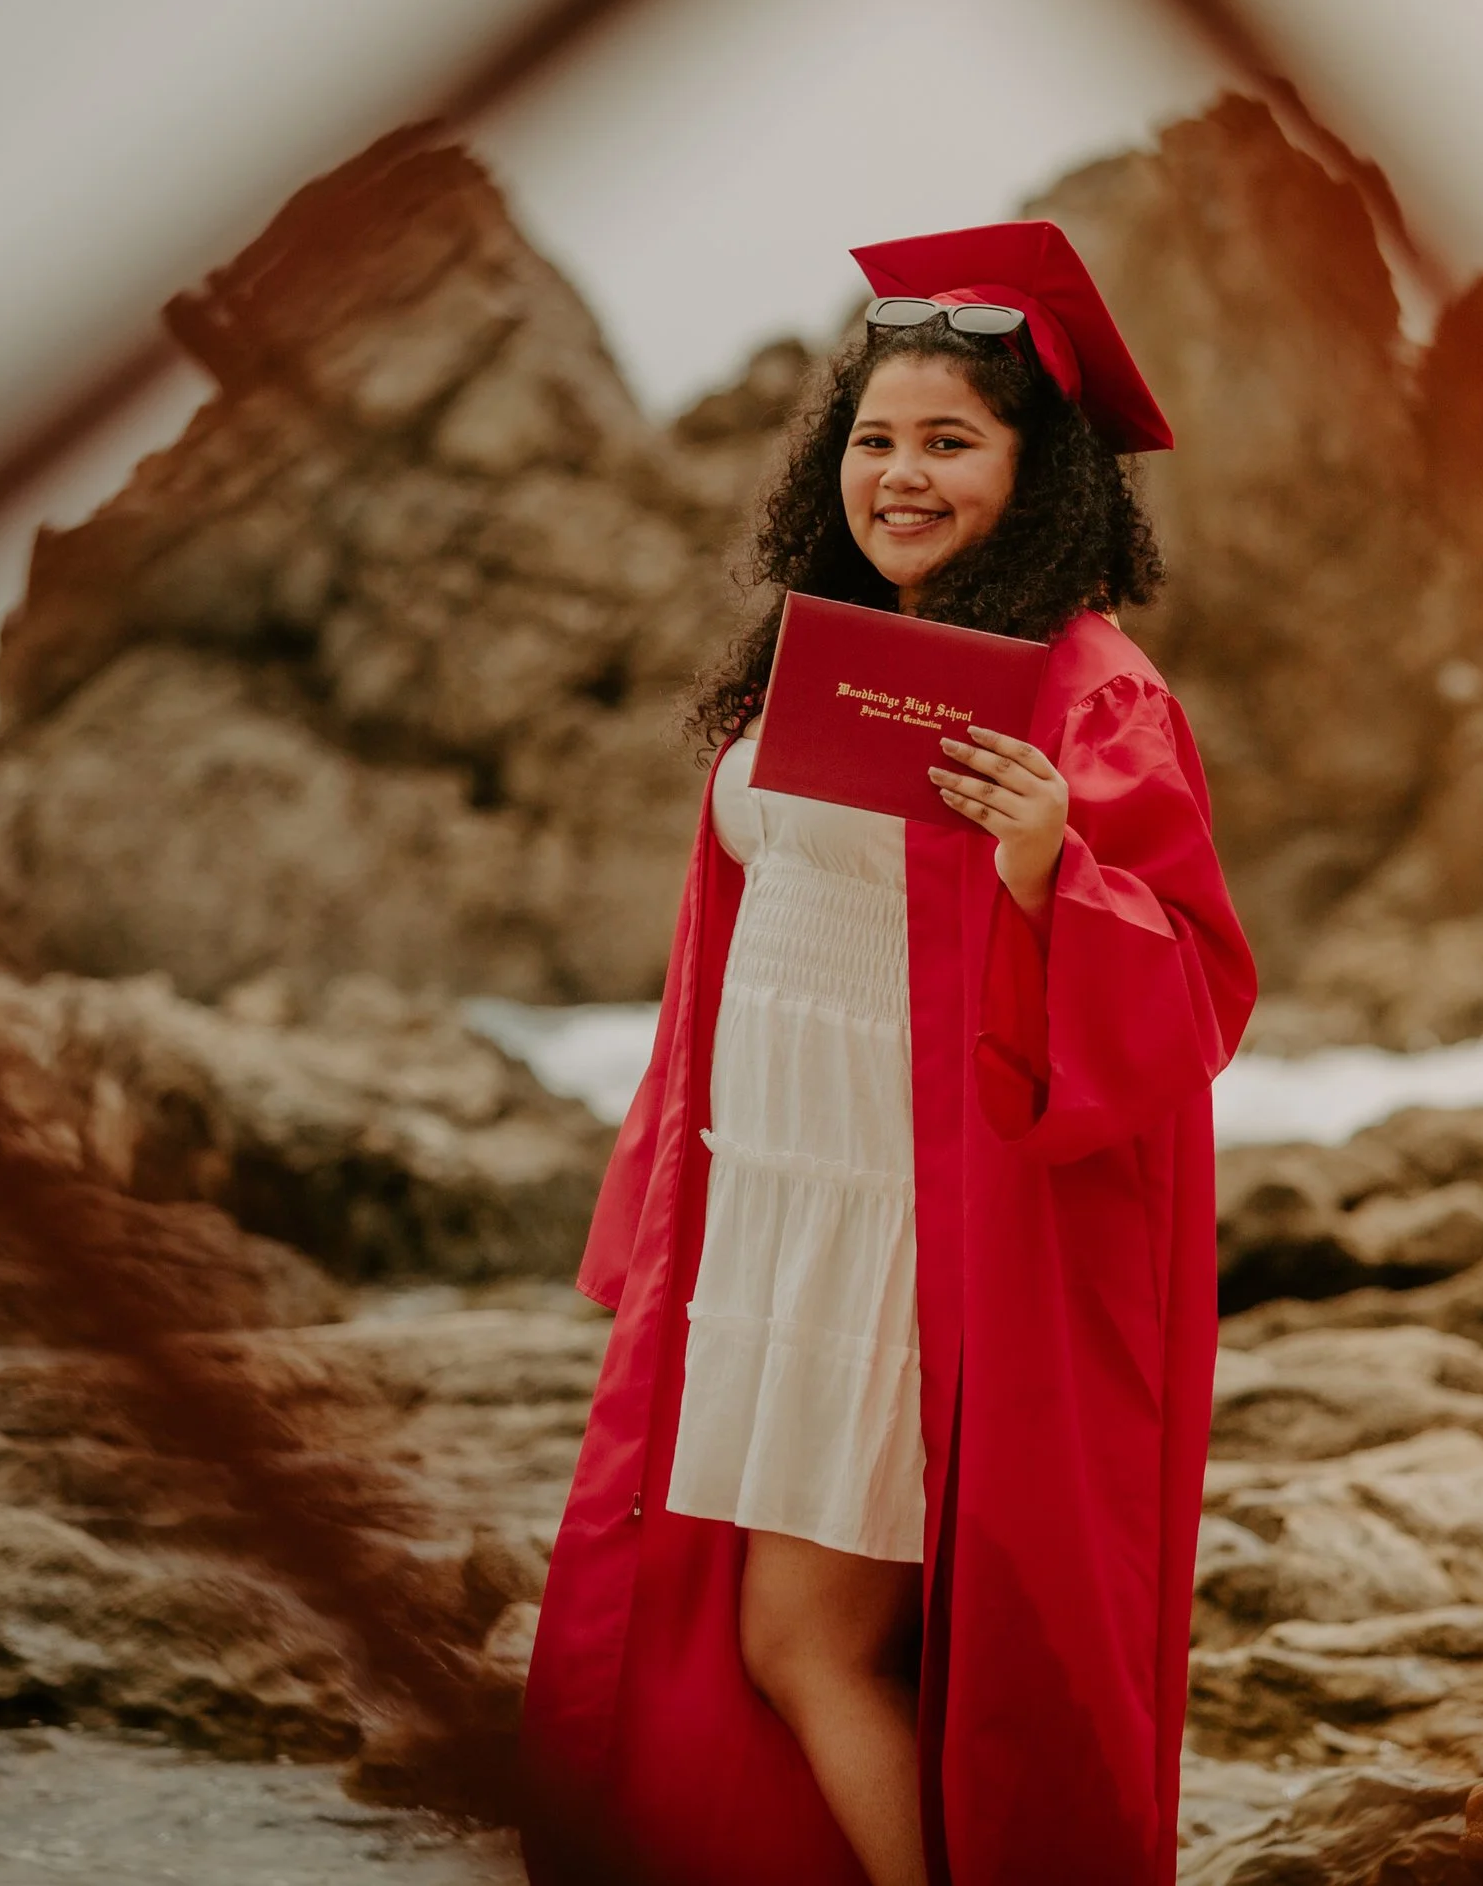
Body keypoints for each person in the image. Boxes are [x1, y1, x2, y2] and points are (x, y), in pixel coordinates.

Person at [519, 220, 1257, 1886]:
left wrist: (1049, 865)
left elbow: (1196, 989)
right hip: (777, 1213)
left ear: (1037, 468)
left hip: (923, 1239)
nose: (902, 475)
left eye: (951, 441)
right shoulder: (817, 659)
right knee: (782, 1637)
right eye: (875, 438)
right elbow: (735, 947)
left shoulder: (1088, 690)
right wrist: (658, 1204)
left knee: (800, 1637)